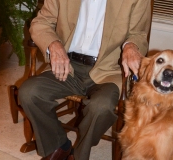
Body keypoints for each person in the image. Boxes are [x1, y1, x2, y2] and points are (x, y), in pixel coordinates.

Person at [19, 0, 152, 159]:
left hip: (109, 68)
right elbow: (41, 22)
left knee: (101, 106)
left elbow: (139, 34)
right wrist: (53, 44)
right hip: (68, 65)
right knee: (29, 93)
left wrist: (131, 45)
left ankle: (80, 154)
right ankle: (58, 146)